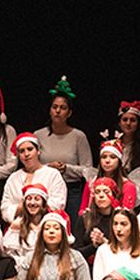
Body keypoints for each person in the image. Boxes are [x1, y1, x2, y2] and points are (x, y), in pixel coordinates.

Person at [37, 78, 94, 208]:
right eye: (54, 107)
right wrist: (48, 167)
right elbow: (32, 166)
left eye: (63, 108)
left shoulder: (78, 136)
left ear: (69, 113)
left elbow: (88, 170)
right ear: (50, 110)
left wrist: (66, 168)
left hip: (72, 190)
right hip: (45, 189)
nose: (58, 111)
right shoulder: (39, 135)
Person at [0, 133, 67, 224]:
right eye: (22, 151)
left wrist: (34, 210)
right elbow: (5, 208)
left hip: (46, 225)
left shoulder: (52, 174)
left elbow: (58, 203)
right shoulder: (13, 178)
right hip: (19, 226)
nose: (26, 154)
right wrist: (22, 208)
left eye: (30, 149)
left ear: (38, 151)